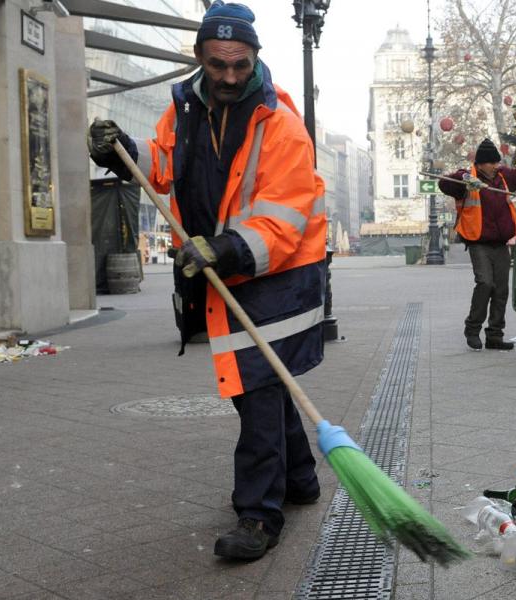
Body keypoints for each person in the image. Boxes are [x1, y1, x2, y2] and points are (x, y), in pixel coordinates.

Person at [87, 1, 325, 560]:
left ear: (255, 59)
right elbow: (163, 161)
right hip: (220, 266)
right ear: (198, 58)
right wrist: (123, 149)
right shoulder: (185, 109)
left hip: (277, 272)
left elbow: (283, 214)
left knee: (256, 387)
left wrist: (225, 247)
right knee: (265, 382)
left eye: (239, 64)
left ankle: (259, 514)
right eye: (218, 64)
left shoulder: (281, 125)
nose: (228, 76)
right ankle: (300, 478)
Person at [439, 139, 516, 351]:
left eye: (496, 162)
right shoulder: (468, 179)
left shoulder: (504, 178)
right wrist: (465, 179)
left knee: (501, 290)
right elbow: (444, 183)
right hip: (478, 242)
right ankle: (472, 329)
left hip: (501, 243)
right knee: (485, 284)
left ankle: (495, 336)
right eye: (491, 162)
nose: (495, 165)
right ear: (481, 164)